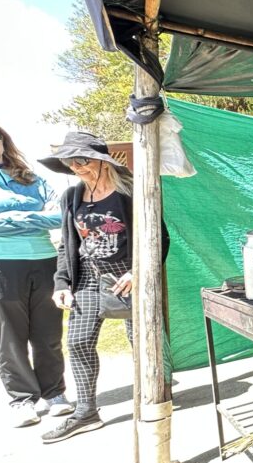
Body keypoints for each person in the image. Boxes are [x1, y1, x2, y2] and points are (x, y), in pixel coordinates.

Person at [38, 132, 169, 443]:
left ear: (101, 160)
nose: (76, 167)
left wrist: (139, 272)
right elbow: (67, 246)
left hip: (126, 276)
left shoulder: (131, 191)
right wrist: (61, 282)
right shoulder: (71, 197)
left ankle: (152, 396)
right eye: (69, 162)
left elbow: (159, 238)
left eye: (82, 160)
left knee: (141, 341)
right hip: (87, 276)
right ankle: (85, 412)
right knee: (79, 341)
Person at [0, 112, 72, 427]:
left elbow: (59, 215)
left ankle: (54, 393)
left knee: (49, 334)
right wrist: (32, 216)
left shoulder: (28, 175)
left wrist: (5, 217)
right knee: (10, 337)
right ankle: (22, 399)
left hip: (44, 261)